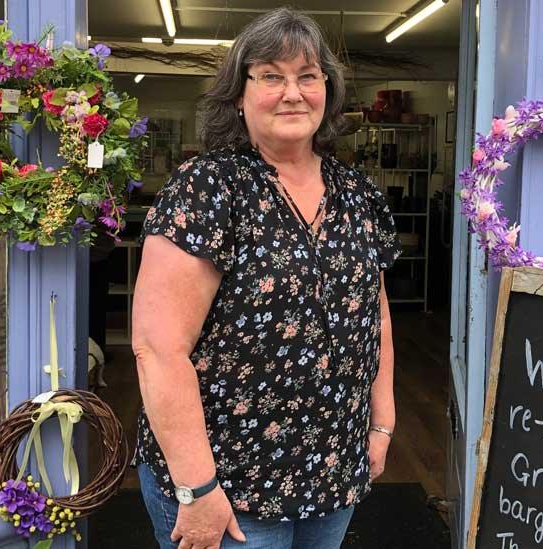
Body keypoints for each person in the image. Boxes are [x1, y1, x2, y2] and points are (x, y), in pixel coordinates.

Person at [131, 8, 401, 549]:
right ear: (239, 94)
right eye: (271, 76)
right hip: (229, 482)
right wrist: (197, 486)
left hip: (333, 465)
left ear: (327, 89)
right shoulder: (208, 188)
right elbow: (159, 349)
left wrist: (382, 423)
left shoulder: (357, 193)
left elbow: (375, 315)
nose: (292, 92)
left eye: (308, 76)